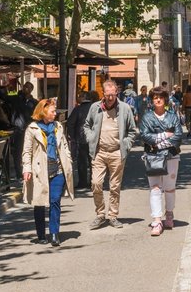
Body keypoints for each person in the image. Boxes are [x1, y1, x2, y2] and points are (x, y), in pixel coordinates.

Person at [83, 81, 139, 230]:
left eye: (112, 95)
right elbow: (86, 125)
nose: (109, 98)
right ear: (103, 94)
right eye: (107, 95)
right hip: (99, 152)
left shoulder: (125, 109)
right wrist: (90, 138)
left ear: (117, 93)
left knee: (115, 186)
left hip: (116, 152)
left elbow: (133, 130)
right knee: (96, 183)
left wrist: (126, 145)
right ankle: (100, 214)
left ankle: (113, 215)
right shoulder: (95, 108)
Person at [22, 99, 75, 247]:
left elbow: (64, 145)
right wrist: (27, 169)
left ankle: (54, 233)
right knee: (39, 203)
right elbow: (27, 152)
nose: (55, 113)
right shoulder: (32, 129)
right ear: (44, 112)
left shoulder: (58, 127)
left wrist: (68, 161)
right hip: (40, 171)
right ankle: (40, 234)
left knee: (55, 200)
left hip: (57, 169)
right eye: (52, 111)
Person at [140, 86, 184, 236]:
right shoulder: (147, 117)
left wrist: (158, 141)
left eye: (160, 97)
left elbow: (178, 136)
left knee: (170, 187)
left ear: (165, 99)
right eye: (154, 97)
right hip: (153, 156)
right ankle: (157, 220)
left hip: (171, 156)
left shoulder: (173, 116)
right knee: (155, 187)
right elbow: (145, 136)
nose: (158, 100)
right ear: (152, 100)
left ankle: (169, 213)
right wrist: (166, 135)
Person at [0, 76, 38, 175]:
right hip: (18, 130)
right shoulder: (16, 98)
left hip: (30, 130)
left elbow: (38, 116)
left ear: (31, 90)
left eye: (28, 87)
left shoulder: (34, 103)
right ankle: (19, 173)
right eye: (24, 86)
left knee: (30, 151)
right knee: (17, 152)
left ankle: (29, 171)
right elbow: (3, 96)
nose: (25, 88)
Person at [67, 91, 98, 191]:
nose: (78, 97)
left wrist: (73, 136)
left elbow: (70, 123)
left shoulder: (78, 109)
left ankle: (82, 182)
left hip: (81, 138)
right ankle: (94, 181)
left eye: (80, 96)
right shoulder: (96, 109)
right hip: (93, 138)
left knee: (82, 162)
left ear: (84, 97)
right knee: (94, 161)